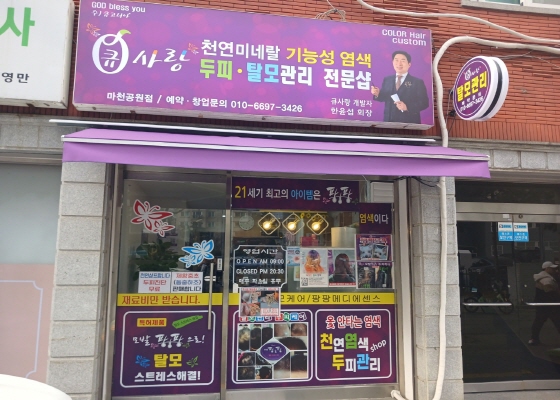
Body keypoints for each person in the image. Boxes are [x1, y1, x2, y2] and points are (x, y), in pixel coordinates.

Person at [371, 50, 430, 124]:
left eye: (403, 61)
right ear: (393, 62)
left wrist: (407, 107)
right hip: (388, 121)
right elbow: (384, 97)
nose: (399, 64)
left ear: (409, 64)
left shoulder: (417, 82)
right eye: (396, 60)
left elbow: (424, 103)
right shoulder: (387, 79)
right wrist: (377, 94)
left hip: (409, 123)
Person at [528, 261, 560, 345]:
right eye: (552, 268)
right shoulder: (546, 279)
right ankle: (533, 339)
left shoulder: (543, 277)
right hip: (549, 305)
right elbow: (550, 292)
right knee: (557, 321)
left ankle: (533, 339)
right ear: (547, 268)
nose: (555, 270)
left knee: (539, 322)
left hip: (543, 304)